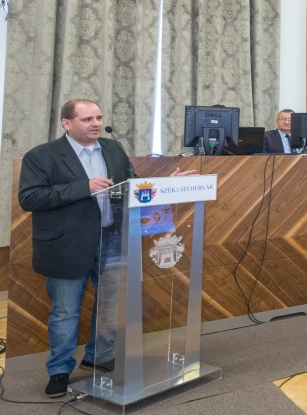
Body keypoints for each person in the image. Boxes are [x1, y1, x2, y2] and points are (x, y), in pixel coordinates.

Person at [18, 99, 195, 397]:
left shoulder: (113, 149)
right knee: (65, 312)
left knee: (111, 305)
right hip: (66, 245)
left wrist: (165, 184)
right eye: (87, 119)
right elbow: (30, 198)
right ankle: (59, 370)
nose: (96, 124)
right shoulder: (42, 156)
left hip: (111, 240)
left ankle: (98, 356)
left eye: (98, 118)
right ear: (67, 123)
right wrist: (84, 187)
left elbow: (132, 186)